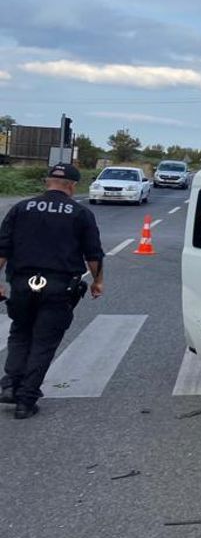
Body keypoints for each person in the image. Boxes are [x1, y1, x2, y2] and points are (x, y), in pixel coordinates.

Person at [0, 164, 104, 419]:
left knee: (21, 332)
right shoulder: (80, 213)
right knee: (44, 341)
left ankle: (11, 385)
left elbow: (2, 248)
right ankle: (26, 400)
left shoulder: (21, 208)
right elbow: (93, 254)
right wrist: (97, 281)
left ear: (47, 182)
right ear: (72, 185)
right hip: (58, 285)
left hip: (23, 283)